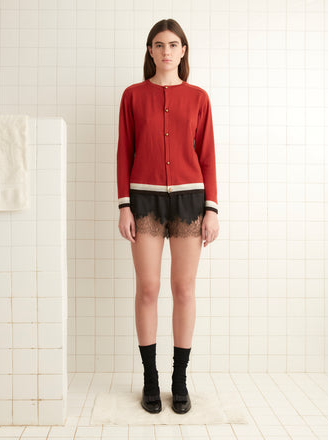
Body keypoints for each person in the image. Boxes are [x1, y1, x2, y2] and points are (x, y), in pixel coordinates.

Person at [117, 18, 219, 414]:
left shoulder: (198, 98)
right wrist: (124, 203)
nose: (166, 52)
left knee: (184, 289)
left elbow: (207, 156)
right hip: (144, 202)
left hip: (191, 202)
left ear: (183, 51)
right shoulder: (132, 96)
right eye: (158, 45)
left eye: (173, 45)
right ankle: (149, 379)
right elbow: (125, 150)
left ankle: (179, 380)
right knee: (147, 288)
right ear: (150, 51)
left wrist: (211, 209)